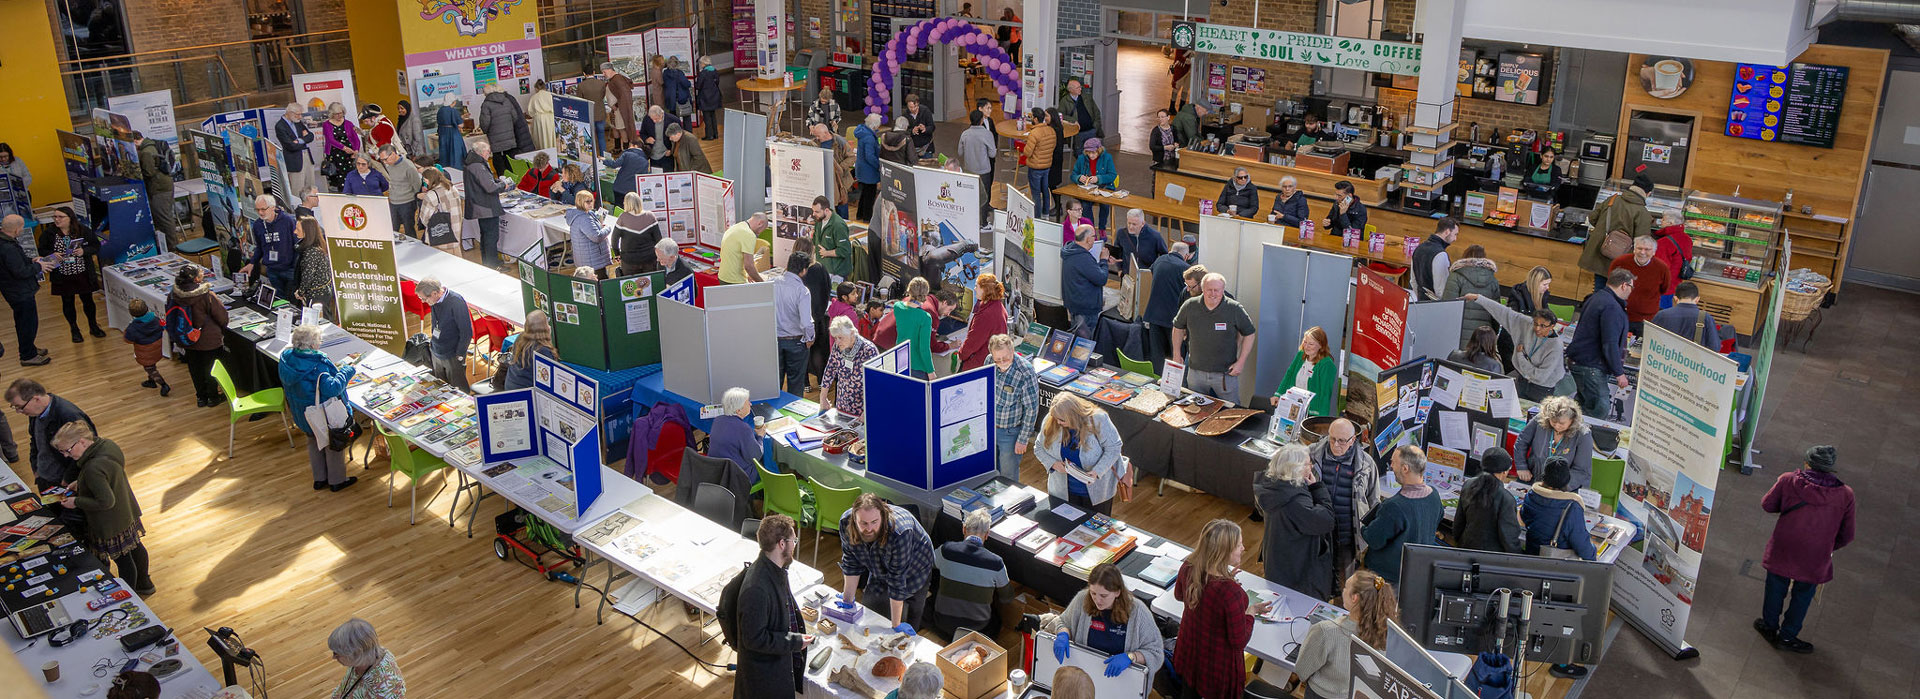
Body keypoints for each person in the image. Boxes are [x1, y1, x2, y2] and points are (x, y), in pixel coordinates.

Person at [1756, 445, 1854, 655]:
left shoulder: (1788, 480)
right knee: (1803, 595)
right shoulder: (1845, 495)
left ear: (1807, 463)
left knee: (1775, 587)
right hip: (1816, 554)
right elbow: (1848, 534)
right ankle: (1788, 636)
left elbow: (1767, 505)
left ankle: (1769, 626)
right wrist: (1828, 544)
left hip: (1784, 545)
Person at [1171, 519, 1267, 699]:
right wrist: (1251, 613)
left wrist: (1225, 576)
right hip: (1215, 666)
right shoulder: (1231, 593)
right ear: (1224, 552)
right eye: (1239, 545)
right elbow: (1238, 640)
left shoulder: (1189, 566)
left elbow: (1179, 595)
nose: (1244, 548)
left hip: (1190, 652)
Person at [734, 513, 812, 697]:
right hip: (763, 681)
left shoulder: (775, 569)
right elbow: (754, 639)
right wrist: (794, 642)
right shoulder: (757, 589)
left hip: (771, 670)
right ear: (782, 544)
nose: (795, 545)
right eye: (794, 540)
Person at [835, 492, 936, 630]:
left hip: (916, 566)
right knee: (872, 610)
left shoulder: (899, 532)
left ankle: (909, 640)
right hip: (879, 566)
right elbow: (851, 562)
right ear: (854, 518)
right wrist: (848, 599)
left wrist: (896, 625)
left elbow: (897, 580)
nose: (869, 529)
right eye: (863, 523)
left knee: (911, 610)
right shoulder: (845, 522)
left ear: (882, 516)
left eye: (874, 522)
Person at [1047, 562, 1164, 680]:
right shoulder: (1082, 599)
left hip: (1121, 680)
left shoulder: (1138, 612)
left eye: (1103, 596)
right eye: (1093, 593)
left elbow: (1155, 652)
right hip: (1085, 675)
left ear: (1117, 592)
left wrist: (1131, 657)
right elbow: (1063, 621)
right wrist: (1063, 634)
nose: (1097, 600)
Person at [1295, 570, 1398, 699]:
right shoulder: (1388, 635)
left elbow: (1302, 671)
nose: (1343, 591)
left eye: (1345, 588)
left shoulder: (1325, 631)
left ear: (1354, 598)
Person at [281, 324, 359, 492]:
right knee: (333, 445)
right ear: (312, 345)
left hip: (303, 414)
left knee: (314, 442)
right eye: (318, 340)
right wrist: (347, 370)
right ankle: (337, 480)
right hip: (324, 414)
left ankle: (319, 479)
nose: (320, 343)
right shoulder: (316, 366)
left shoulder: (286, 358)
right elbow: (332, 388)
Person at [1254, 443, 1335, 599]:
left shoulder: (1268, 487)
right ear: (1294, 468)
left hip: (1276, 562)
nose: (1310, 467)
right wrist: (1318, 488)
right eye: (1306, 464)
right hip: (1298, 570)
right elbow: (1326, 521)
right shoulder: (1295, 502)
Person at [1361, 445, 1443, 585]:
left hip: (1387, 577)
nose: (1391, 466)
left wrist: (1362, 526)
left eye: (1393, 462)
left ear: (1405, 469)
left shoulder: (1395, 506)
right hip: (1416, 572)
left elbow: (1374, 539)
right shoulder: (1434, 495)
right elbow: (1438, 518)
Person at [1463, 293, 1570, 401]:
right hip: (1522, 379)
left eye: (1543, 326)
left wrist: (1520, 356)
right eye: (1535, 324)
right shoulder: (1527, 324)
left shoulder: (1556, 345)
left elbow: (1539, 377)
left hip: (1542, 387)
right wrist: (1479, 298)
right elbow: (1505, 313)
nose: (1537, 328)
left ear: (1552, 327)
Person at [1035, 392, 1126, 516]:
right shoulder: (1052, 420)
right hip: (1063, 493)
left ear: (1073, 416)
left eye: (1062, 420)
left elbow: (1114, 448)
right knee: (1064, 530)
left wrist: (1096, 472)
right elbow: (1038, 448)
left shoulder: (1099, 419)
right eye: (1056, 418)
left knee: (1096, 532)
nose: (1058, 422)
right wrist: (1054, 464)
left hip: (1096, 494)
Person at [1171, 273, 1256, 401]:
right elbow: (1177, 328)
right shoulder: (1190, 305)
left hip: (1225, 375)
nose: (1213, 293)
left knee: (1230, 412)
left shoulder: (1234, 308)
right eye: (1209, 289)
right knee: (1195, 410)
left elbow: (1249, 333)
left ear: (1223, 290)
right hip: (1196, 373)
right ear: (1202, 289)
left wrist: (1241, 362)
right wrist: (1176, 354)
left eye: (1217, 290)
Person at [931, 509, 1013, 637]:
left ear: (964, 529)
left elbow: (930, 563)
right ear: (987, 534)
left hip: (942, 622)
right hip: (977, 627)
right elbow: (1007, 597)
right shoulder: (996, 563)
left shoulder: (946, 550)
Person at [1568, 269, 1633, 418]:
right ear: (1624, 285)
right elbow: (1610, 343)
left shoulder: (1597, 297)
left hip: (1581, 362)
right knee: (1600, 408)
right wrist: (1619, 373)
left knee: (1582, 406)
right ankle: (1587, 439)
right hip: (1592, 366)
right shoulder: (1612, 307)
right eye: (1631, 287)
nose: (1631, 292)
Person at [8, 379, 94, 489]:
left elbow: (88, 450)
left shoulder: (69, 416)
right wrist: (36, 469)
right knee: (49, 506)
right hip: (45, 478)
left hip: (66, 483)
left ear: (36, 399)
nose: (18, 411)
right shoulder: (34, 412)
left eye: (20, 407)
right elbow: (34, 440)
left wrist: (68, 478)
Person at [165, 266, 232, 408]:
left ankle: (201, 397)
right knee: (211, 368)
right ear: (196, 279)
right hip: (209, 340)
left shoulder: (174, 294)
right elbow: (222, 317)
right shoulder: (206, 295)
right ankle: (213, 397)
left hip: (187, 339)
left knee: (195, 368)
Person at [37, 207, 104, 342]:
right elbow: (42, 249)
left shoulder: (83, 230)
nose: (57, 219)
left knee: (88, 301)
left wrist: (84, 251)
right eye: (55, 217)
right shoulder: (49, 233)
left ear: (70, 218)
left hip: (82, 272)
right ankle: (74, 329)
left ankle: (93, 325)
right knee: (67, 302)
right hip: (62, 275)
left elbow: (96, 246)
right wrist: (52, 254)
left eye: (60, 217)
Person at [1582, 175, 1654, 291]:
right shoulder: (1643, 213)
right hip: (1622, 259)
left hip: (1601, 250)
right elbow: (1642, 242)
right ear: (1648, 193)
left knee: (1599, 287)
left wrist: (1605, 231)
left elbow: (1592, 218)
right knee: (1616, 291)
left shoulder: (1612, 200)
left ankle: (1596, 307)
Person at [0, 215, 52, 365]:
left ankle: (29, 348)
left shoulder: (6, 242)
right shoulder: (7, 247)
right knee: (27, 323)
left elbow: (16, 262)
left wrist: (31, 260)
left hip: (14, 290)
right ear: (16, 229)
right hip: (19, 291)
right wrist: (39, 266)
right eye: (22, 227)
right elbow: (20, 272)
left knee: (25, 322)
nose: (22, 230)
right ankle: (28, 355)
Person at [1513, 395, 1595, 489]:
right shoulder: (1541, 419)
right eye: (1553, 421)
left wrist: (1558, 486)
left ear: (1572, 420)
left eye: (1562, 423)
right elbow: (1521, 441)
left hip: (1562, 487)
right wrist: (1521, 466)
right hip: (1532, 478)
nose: (1557, 426)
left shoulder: (1583, 434)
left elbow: (1581, 470)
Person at [1521, 458, 1595, 561]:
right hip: (1556, 564)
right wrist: (1594, 553)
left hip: (1531, 555)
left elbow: (1524, 517)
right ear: (1566, 480)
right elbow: (1582, 547)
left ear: (1544, 477)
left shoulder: (1531, 495)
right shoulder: (1572, 507)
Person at [988, 334, 1040, 481]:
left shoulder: (1026, 372)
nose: (1002, 362)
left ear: (1012, 351)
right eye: (997, 359)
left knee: (1007, 478)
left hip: (1010, 433)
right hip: (988, 429)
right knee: (988, 474)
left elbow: (1031, 409)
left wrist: (1023, 439)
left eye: (1006, 358)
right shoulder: (989, 361)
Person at [1451, 448, 1523, 553]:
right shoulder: (1506, 499)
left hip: (1466, 548)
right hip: (1490, 558)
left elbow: (1458, 524)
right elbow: (1509, 539)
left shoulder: (1468, 485)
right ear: (1504, 472)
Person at [1140, 242, 1192, 372]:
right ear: (1186, 256)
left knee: (1157, 355)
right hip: (1173, 319)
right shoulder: (1185, 269)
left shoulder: (1159, 260)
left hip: (1153, 315)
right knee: (1176, 355)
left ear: (1170, 250)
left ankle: (1156, 380)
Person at [416, 277, 473, 390]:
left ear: (435, 293)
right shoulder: (434, 300)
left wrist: (460, 355)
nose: (423, 302)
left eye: (424, 299)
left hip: (452, 355)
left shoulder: (456, 302)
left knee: (458, 389)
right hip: (436, 351)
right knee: (440, 387)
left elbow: (466, 332)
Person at [327, 618, 405, 698]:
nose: (333, 657)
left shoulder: (387, 686)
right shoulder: (363, 657)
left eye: (336, 654)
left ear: (357, 653)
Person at [463, 140, 510, 269]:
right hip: (486, 206)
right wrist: (502, 185)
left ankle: (488, 263)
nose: (489, 154)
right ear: (483, 152)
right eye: (488, 152)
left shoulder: (472, 162)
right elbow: (490, 187)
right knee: (490, 237)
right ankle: (493, 265)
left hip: (480, 205)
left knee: (485, 236)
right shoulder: (478, 165)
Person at [1610, 235, 1673, 332]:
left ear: (1654, 252)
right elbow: (1611, 286)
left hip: (1646, 319)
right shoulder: (1619, 263)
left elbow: (1664, 289)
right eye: (1639, 248)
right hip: (1619, 315)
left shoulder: (1662, 268)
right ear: (1634, 249)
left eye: (1647, 249)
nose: (1642, 252)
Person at [774, 252, 815, 396]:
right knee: (796, 385)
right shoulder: (802, 291)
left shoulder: (773, 283)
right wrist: (810, 338)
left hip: (774, 340)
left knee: (774, 384)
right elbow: (806, 322)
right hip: (796, 342)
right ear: (803, 270)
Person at [820, 316, 878, 419]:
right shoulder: (838, 347)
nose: (837, 342)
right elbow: (830, 370)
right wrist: (823, 397)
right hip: (841, 407)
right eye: (835, 338)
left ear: (852, 333)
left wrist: (869, 410)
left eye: (840, 337)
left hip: (861, 411)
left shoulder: (868, 350)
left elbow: (875, 384)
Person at [1443, 245, 1501, 348]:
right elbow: (1496, 313)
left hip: (1458, 336)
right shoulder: (1493, 280)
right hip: (1483, 338)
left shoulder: (1456, 276)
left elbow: (1448, 308)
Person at [950, 274, 1008, 371]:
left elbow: (973, 342)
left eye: (977, 286)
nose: (975, 288)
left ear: (985, 290)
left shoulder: (986, 315)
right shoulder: (998, 306)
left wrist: (961, 354)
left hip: (978, 365)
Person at [1278, 326, 1339, 417]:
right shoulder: (1301, 355)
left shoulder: (1326, 364)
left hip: (1312, 413)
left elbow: (1325, 393)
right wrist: (1278, 394)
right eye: (1305, 342)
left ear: (1321, 345)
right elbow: (1289, 375)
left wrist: (1321, 418)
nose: (1306, 346)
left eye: (1311, 344)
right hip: (1294, 407)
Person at [1060, 224, 1108, 338]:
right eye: (1094, 236)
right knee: (1083, 346)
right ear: (1087, 239)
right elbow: (1101, 279)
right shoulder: (1082, 258)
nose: (1095, 239)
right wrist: (1103, 261)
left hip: (1074, 305)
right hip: (1086, 310)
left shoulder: (1070, 251)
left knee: (1076, 340)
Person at [707, 387, 764, 481]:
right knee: (767, 463)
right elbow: (756, 456)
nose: (750, 404)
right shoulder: (744, 429)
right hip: (737, 478)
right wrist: (760, 436)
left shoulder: (717, 420)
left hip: (718, 472)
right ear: (738, 410)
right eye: (747, 402)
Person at [494, 310, 555, 391]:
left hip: (510, 387)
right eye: (547, 324)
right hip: (525, 394)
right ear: (544, 328)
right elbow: (548, 378)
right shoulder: (542, 350)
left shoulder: (520, 338)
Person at [1651, 281, 1722, 349]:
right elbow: (1715, 347)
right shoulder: (1706, 318)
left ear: (1675, 298)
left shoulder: (1662, 315)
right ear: (1697, 299)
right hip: (1693, 360)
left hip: (1664, 358)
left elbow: (1650, 339)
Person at [121, 299, 170, 396]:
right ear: (147, 309)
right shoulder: (155, 319)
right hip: (157, 347)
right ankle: (151, 381)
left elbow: (128, 340)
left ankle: (164, 385)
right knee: (152, 365)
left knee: (150, 369)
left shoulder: (133, 328)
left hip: (144, 351)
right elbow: (164, 326)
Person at [374, 146, 423, 240]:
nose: (384, 162)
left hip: (407, 202)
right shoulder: (389, 164)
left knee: (409, 229)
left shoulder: (408, 167)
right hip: (393, 202)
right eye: (382, 160)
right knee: (393, 228)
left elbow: (417, 185)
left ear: (393, 154)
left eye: (385, 159)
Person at [811, 122, 857, 218]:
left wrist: (839, 168)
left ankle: (844, 225)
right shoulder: (815, 142)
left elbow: (851, 157)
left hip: (839, 180)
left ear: (826, 133)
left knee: (841, 204)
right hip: (823, 179)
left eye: (818, 136)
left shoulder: (840, 142)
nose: (817, 138)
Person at [136, 132, 176, 241]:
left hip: (159, 188)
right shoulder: (152, 144)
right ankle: (167, 245)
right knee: (164, 216)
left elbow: (149, 172)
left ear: (135, 141)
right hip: (164, 185)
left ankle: (172, 246)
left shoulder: (146, 152)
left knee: (164, 218)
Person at [292, 217, 335, 320]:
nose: (294, 232)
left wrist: (300, 292)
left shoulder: (312, 252)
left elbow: (307, 276)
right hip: (319, 295)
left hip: (317, 297)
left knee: (320, 323)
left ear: (307, 231)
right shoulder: (316, 247)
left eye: (298, 229)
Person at [959, 111, 998, 225]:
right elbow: (992, 154)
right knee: (984, 197)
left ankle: (970, 221)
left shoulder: (965, 134)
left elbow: (960, 152)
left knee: (970, 195)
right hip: (983, 170)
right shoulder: (987, 134)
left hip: (969, 169)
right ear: (981, 120)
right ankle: (983, 223)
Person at [564, 190, 613, 278]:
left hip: (588, 259)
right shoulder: (584, 219)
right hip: (593, 262)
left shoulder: (583, 214)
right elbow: (596, 237)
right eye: (587, 201)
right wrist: (607, 228)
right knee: (602, 284)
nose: (591, 203)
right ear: (580, 202)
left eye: (592, 200)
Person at [1071, 139, 1116, 231]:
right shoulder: (1081, 158)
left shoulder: (1107, 158)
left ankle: (1102, 229)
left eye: (1094, 153)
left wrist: (1099, 178)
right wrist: (1079, 178)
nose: (1091, 155)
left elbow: (1112, 175)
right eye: (1088, 153)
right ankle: (1090, 229)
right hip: (1087, 190)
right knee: (1085, 205)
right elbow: (1073, 175)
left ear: (1099, 150)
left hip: (1104, 188)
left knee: (1104, 204)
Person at [1019, 108, 1057, 219]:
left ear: (1035, 119)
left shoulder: (1034, 133)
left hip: (1035, 166)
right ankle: (1046, 214)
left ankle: (1037, 217)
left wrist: (1025, 146)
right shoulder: (1051, 130)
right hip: (1047, 165)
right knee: (1045, 190)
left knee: (1035, 193)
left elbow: (1027, 152)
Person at [275, 103, 318, 198]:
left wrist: (299, 141)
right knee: (298, 188)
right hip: (294, 160)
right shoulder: (280, 126)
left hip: (306, 156)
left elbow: (310, 136)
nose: (300, 116)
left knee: (311, 185)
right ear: (290, 113)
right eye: (298, 114)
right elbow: (290, 146)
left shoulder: (298, 122)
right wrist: (303, 140)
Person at [1411, 217, 1458, 300]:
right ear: (1447, 232)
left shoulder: (1419, 248)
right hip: (1433, 305)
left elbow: (1413, 281)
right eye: (1455, 234)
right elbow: (1441, 290)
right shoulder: (1441, 254)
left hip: (1420, 300)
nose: (1455, 239)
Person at [809, 195, 854, 281]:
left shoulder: (838, 225)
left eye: (817, 212)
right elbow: (815, 241)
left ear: (826, 210)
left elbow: (845, 250)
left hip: (837, 273)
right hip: (823, 270)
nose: (814, 214)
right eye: (813, 211)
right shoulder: (819, 221)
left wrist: (827, 253)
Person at [477, 85, 520, 174]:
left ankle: (503, 181)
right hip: (510, 137)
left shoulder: (486, 104)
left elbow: (485, 123)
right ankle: (514, 179)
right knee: (511, 160)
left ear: (486, 94)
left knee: (498, 161)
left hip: (496, 139)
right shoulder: (506, 100)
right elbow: (515, 117)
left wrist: (486, 131)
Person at [319, 102, 361, 192]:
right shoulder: (327, 124)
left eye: (341, 113)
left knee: (351, 175)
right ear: (331, 114)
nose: (339, 115)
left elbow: (356, 139)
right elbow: (330, 139)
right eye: (336, 114)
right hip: (335, 154)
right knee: (338, 178)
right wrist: (344, 148)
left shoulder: (349, 123)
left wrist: (356, 150)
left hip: (350, 154)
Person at [1113, 209, 1167, 276]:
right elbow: (1117, 251)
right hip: (1127, 274)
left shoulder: (1154, 236)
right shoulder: (1121, 233)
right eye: (1129, 223)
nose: (1130, 227)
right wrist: (1120, 269)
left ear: (1143, 223)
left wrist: (1156, 270)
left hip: (1147, 274)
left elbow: (1165, 255)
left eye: (1134, 224)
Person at [415, 168, 460, 246]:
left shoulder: (431, 195)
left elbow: (424, 218)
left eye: (425, 180)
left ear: (430, 180)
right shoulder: (453, 188)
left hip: (439, 237)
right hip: (456, 231)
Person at [718, 212, 766, 284]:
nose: (759, 233)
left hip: (723, 276)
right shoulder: (749, 234)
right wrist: (762, 283)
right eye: (762, 229)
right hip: (735, 281)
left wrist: (749, 274)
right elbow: (749, 266)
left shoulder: (736, 227)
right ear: (760, 223)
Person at [1060, 77, 1104, 154]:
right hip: (1077, 134)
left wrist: (1095, 126)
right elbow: (1061, 115)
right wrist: (1073, 121)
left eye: (1080, 87)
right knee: (1079, 154)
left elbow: (1096, 112)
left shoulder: (1087, 97)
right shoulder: (1065, 101)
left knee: (1093, 154)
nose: (1080, 89)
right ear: (1071, 90)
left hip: (1091, 131)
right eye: (1078, 88)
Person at [1652, 223, 1692, 305]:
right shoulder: (1687, 238)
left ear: (1670, 223)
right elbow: (1688, 258)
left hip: (1662, 285)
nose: (1661, 222)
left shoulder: (1664, 242)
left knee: (1659, 310)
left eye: (1663, 219)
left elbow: (1660, 266)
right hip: (1676, 281)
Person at [854, 113, 884, 220]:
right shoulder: (869, 138)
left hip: (861, 168)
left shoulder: (862, 132)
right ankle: (867, 218)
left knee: (863, 194)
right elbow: (870, 156)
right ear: (874, 125)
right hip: (869, 171)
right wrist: (879, 166)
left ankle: (859, 215)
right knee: (869, 196)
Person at [638, 106, 682, 171]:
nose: (654, 121)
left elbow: (679, 138)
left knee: (668, 177)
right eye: (652, 119)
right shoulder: (646, 119)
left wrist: (672, 150)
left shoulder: (673, 120)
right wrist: (646, 139)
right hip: (653, 155)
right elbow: (642, 133)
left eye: (656, 119)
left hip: (667, 155)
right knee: (656, 178)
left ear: (661, 114)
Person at [694, 56, 724, 140]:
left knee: (707, 117)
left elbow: (698, 86)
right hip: (714, 96)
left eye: (700, 63)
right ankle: (715, 134)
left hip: (705, 97)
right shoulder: (714, 71)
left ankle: (709, 135)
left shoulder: (703, 73)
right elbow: (717, 82)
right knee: (713, 115)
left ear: (703, 63)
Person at [903, 93, 937, 158]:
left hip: (926, 148)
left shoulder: (925, 111)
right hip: (912, 149)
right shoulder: (905, 115)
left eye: (915, 106)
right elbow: (903, 132)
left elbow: (932, 127)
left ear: (918, 104)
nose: (913, 109)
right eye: (910, 107)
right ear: (907, 105)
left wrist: (925, 129)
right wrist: (912, 131)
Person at [435, 99, 466, 167]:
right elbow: (460, 125)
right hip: (453, 134)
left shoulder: (440, 110)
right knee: (456, 154)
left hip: (443, 134)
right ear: (453, 102)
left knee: (445, 154)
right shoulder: (453, 110)